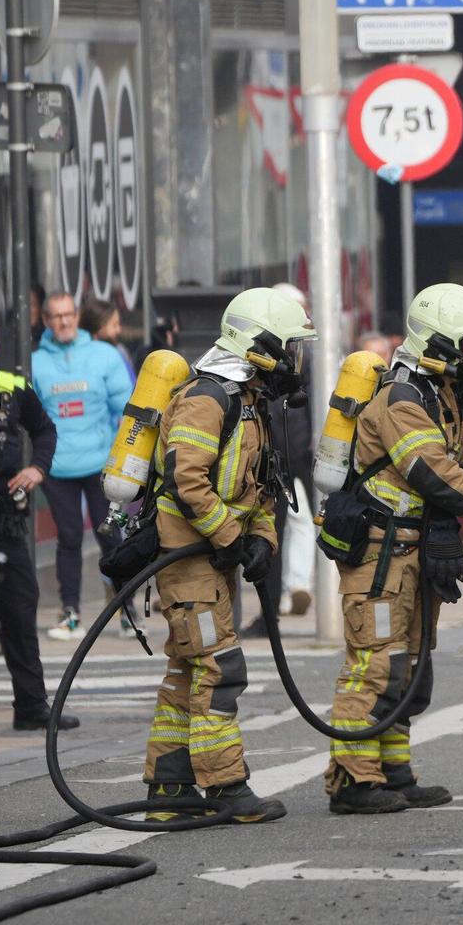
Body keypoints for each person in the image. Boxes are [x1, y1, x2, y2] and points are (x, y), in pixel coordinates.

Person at [323, 284, 463, 816]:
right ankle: (353, 780)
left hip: (415, 551)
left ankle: (393, 771)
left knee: (411, 668)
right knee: (375, 666)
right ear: (439, 345)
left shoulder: (446, 396)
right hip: (380, 555)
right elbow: (434, 475)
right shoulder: (402, 399)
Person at [141, 288, 315, 824]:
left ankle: (170, 792)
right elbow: (187, 481)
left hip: (208, 559)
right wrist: (230, 538)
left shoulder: (248, 402)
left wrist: (261, 539)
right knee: (219, 669)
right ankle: (225, 788)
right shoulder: (207, 398)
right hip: (187, 557)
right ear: (260, 344)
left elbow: (259, 487)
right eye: (289, 346)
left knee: (188, 671)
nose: (294, 359)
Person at [0, 314, 78, 733]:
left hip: (4, 517)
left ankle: (32, 706)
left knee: (19, 610)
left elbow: (45, 430)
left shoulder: (14, 385)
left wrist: (37, 468)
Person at [31, 291, 134, 641]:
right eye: (56, 316)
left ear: (77, 317)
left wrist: (125, 451)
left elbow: (128, 406)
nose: (64, 321)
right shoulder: (34, 363)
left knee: (111, 538)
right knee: (70, 538)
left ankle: (126, 610)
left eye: (69, 315)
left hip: (99, 463)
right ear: (46, 321)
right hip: (58, 466)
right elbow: (29, 416)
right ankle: (71, 613)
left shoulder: (104, 356)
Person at [245, 283, 317, 633]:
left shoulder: (296, 356)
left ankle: (277, 604)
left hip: (286, 456)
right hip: (285, 454)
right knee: (281, 530)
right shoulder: (279, 354)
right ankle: (280, 600)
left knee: (281, 530)